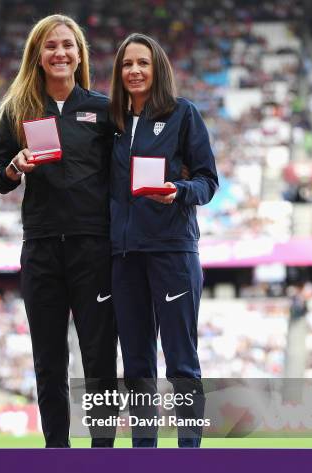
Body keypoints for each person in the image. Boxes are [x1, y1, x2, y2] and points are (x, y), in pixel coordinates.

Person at [0, 14, 117, 448]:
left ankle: (104, 456)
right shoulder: (17, 111)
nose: (60, 52)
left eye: (68, 44)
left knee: (100, 358)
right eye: (50, 46)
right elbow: (0, 178)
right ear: (38, 56)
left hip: (94, 248)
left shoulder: (104, 110)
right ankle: (56, 456)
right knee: (49, 361)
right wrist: (14, 166)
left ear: (79, 54)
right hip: (42, 247)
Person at [109, 33, 219, 448]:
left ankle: (187, 459)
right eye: (126, 64)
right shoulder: (113, 124)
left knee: (181, 365)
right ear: (118, 73)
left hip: (172, 252)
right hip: (124, 257)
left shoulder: (182, 114)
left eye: (143, 63)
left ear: (158, 68)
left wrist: (178, 191)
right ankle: (144, 459)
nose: (134, 71)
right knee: (137, 367)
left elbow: (208, 181)